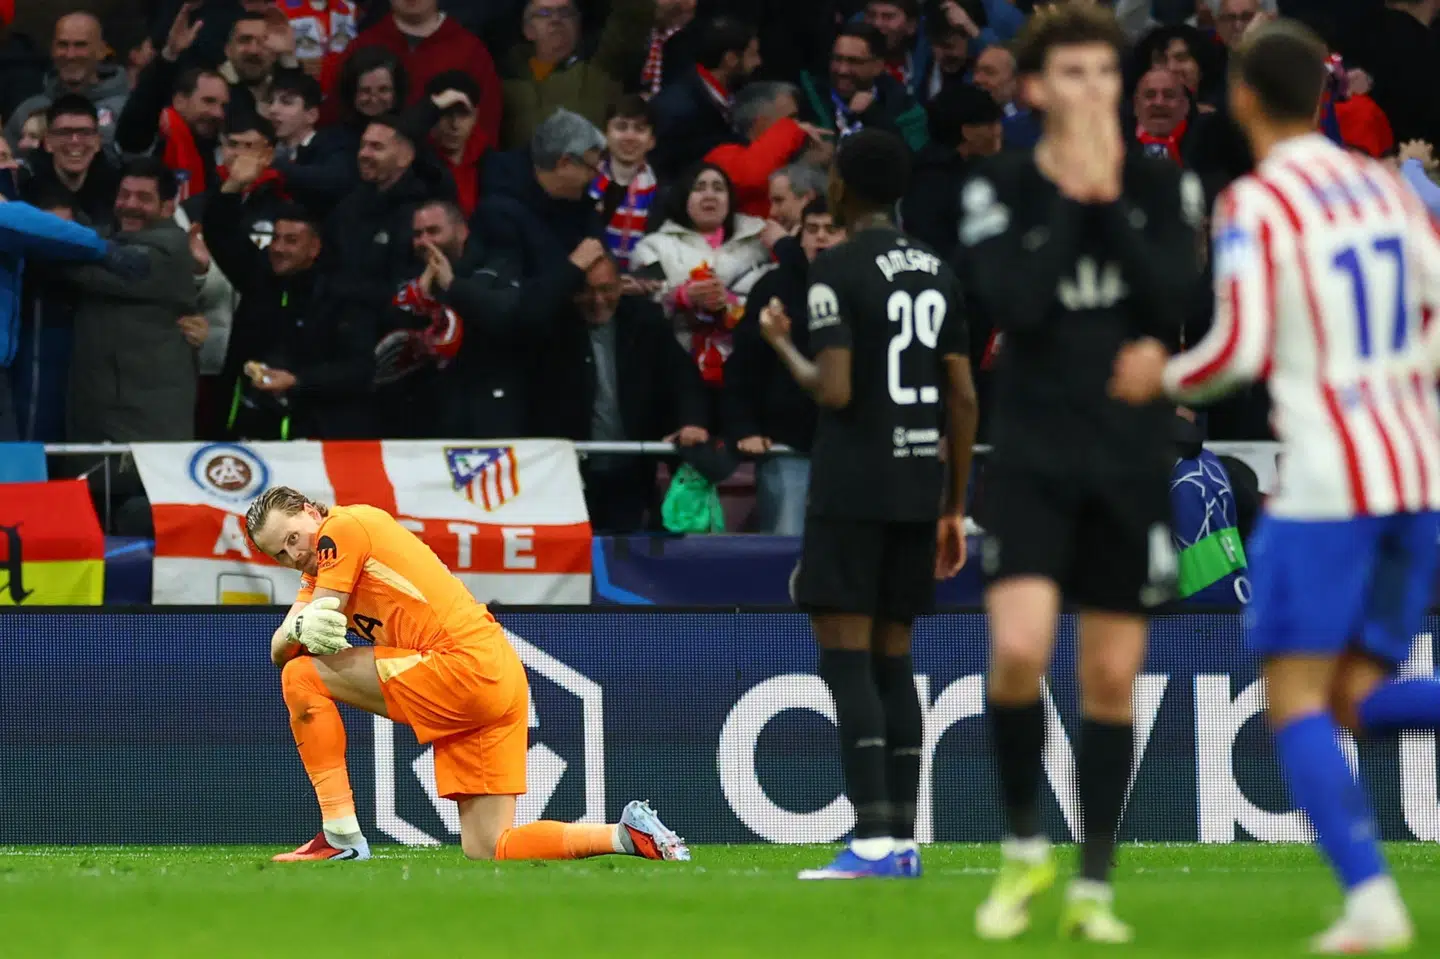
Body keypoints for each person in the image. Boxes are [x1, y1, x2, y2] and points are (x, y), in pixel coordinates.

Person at [1109, 19, 1440, 954]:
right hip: (1416, 474)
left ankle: (1371, 900)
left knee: (1293, 695)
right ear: (1326, 97)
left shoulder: (1257, 204)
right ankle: (1369, 898)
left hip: (1331, 480)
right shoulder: (1388, 191)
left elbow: (1235, 351)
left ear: (1243, 98)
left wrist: (1158, 376)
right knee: (1352, 702)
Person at [957, 6, 1203, 942]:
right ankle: (1025, 848)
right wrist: (1077, 200)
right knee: (1018, 650)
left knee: (1110, 676)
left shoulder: (1158, 182)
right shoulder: (1003, 187)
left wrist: (1109, 199)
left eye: (1106, 74)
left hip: (1129, 460)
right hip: (1031, 456)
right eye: (1073, 75)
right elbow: (1013, 299)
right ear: (1033, 89)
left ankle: (1094, 885)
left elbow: (1172, 297)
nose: (1094, 91)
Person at [244, 486, 691, 864]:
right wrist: (296, 630)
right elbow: (279, 647)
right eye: (278, 553)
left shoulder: (341, 528)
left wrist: (298, 629)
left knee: (304, 676)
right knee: (487, 847)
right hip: (496, 675)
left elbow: (315, 626)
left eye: (293, 538)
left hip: (459, 666)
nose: (294, 554)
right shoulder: (318, 565)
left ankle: (340, 835)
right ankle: (626, 835)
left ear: (309, 510)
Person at [757, 129, 977, 879]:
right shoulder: (938, 272)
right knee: (895, 658)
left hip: (853, 487)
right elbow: (965, 396)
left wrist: (782, 347)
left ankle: (874, 841)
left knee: (846, 658)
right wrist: (954, 507)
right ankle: (902, 839)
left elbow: (839, 388)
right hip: (921, 487)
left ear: (843, 189)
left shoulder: (835, 269)